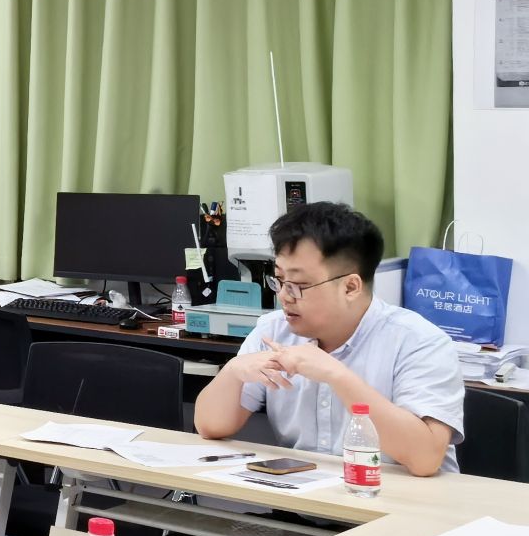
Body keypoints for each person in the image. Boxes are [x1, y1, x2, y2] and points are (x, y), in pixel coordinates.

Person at [195, 201, 462, 475]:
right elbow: (209, 426)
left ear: (350, 287)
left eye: (299, 285)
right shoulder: (274, 331)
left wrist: (336, 375)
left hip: (396, 498)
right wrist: (233, 371)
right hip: (304, 494)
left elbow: (425, 459)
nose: (284, 296)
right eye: (279, 280)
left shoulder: (419, 342)